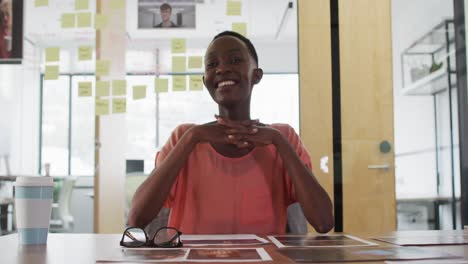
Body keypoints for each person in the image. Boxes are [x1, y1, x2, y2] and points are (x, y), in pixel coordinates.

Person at [128, 31, 334, 234]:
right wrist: (192, 138)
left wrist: (278, 141)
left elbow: (323, 222)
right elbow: (137, 218)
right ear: (205, 80)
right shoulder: (184, 136)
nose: (222, 69)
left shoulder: (283, 136)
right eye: (212, 64)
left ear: (256, 76)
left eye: (235, 60)